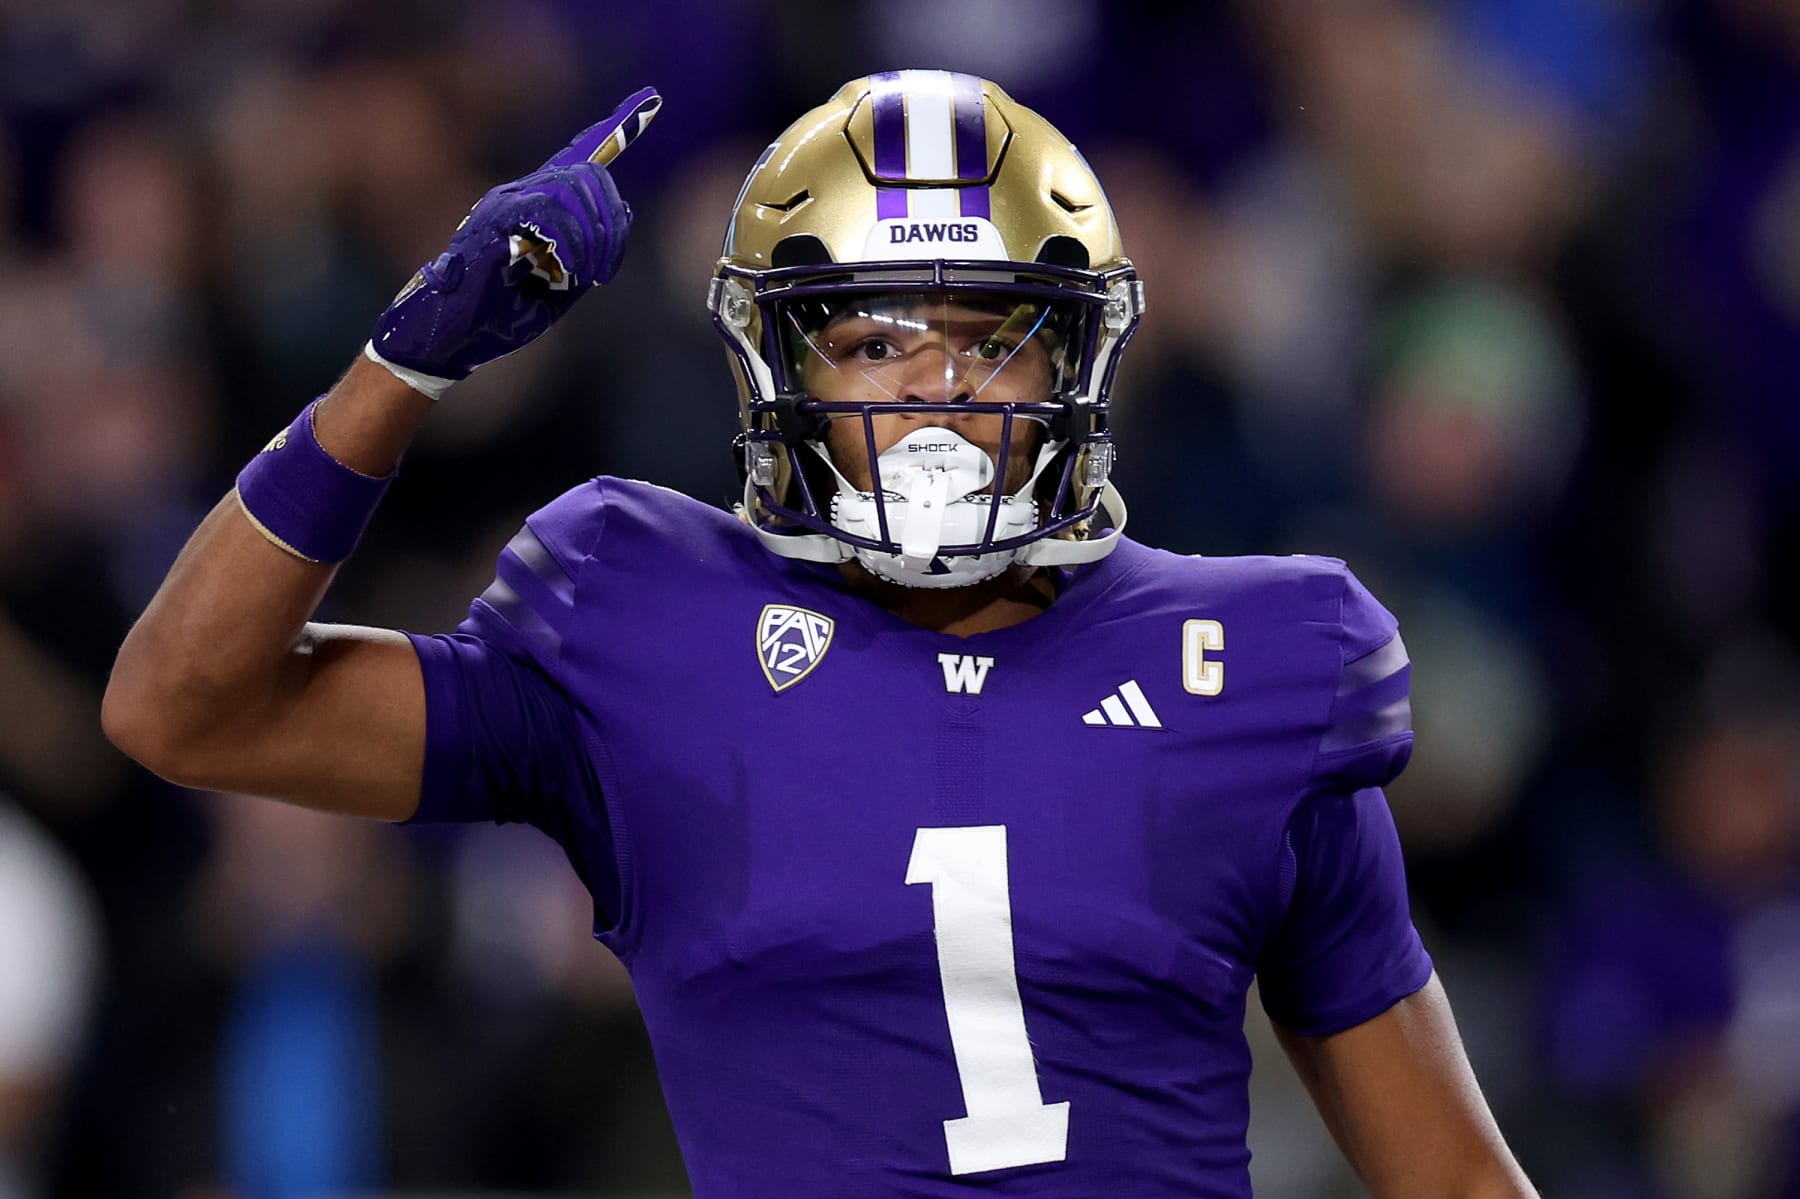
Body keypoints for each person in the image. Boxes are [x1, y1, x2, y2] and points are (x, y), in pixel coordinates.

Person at [104, 71, 1538, 1197]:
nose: (930, 389)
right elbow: (185, 707)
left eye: (988, 335)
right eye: (867, 341)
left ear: (1077, 357)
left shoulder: (1248, 667)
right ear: (777, 369)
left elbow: (1456, 1180)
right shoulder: (641, 627)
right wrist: (401, 366)